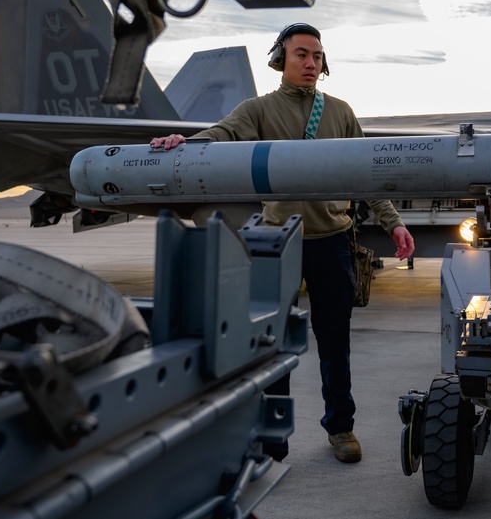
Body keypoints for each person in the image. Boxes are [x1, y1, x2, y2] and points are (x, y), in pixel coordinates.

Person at [151, 23, 415, 465]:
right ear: (281, 59)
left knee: (335, 343)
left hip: (332, 243)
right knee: (270, 344)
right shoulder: (258, 110)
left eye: (317, 55)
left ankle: (341, 428)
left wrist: (394, 223)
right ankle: (273, 438)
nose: (311, 63)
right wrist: (185, 143)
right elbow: (223, 134)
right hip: (277, 242)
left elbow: (366, 173)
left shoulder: (340, 112)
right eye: (301, 55)